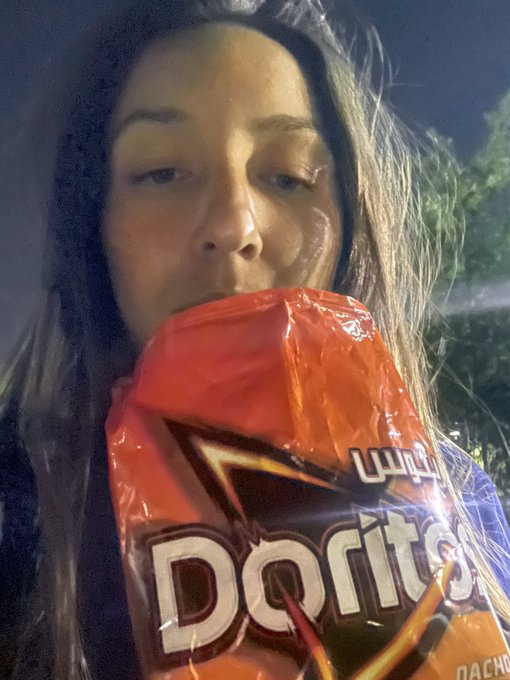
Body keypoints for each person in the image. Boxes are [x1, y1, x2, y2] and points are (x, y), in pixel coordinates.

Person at [0, 0, 509, 678]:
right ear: (93, 228)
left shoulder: (463, 499)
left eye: (289, 176)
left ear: (350, 223)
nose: (235, 224)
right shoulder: (17, 514)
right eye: (161, 172)